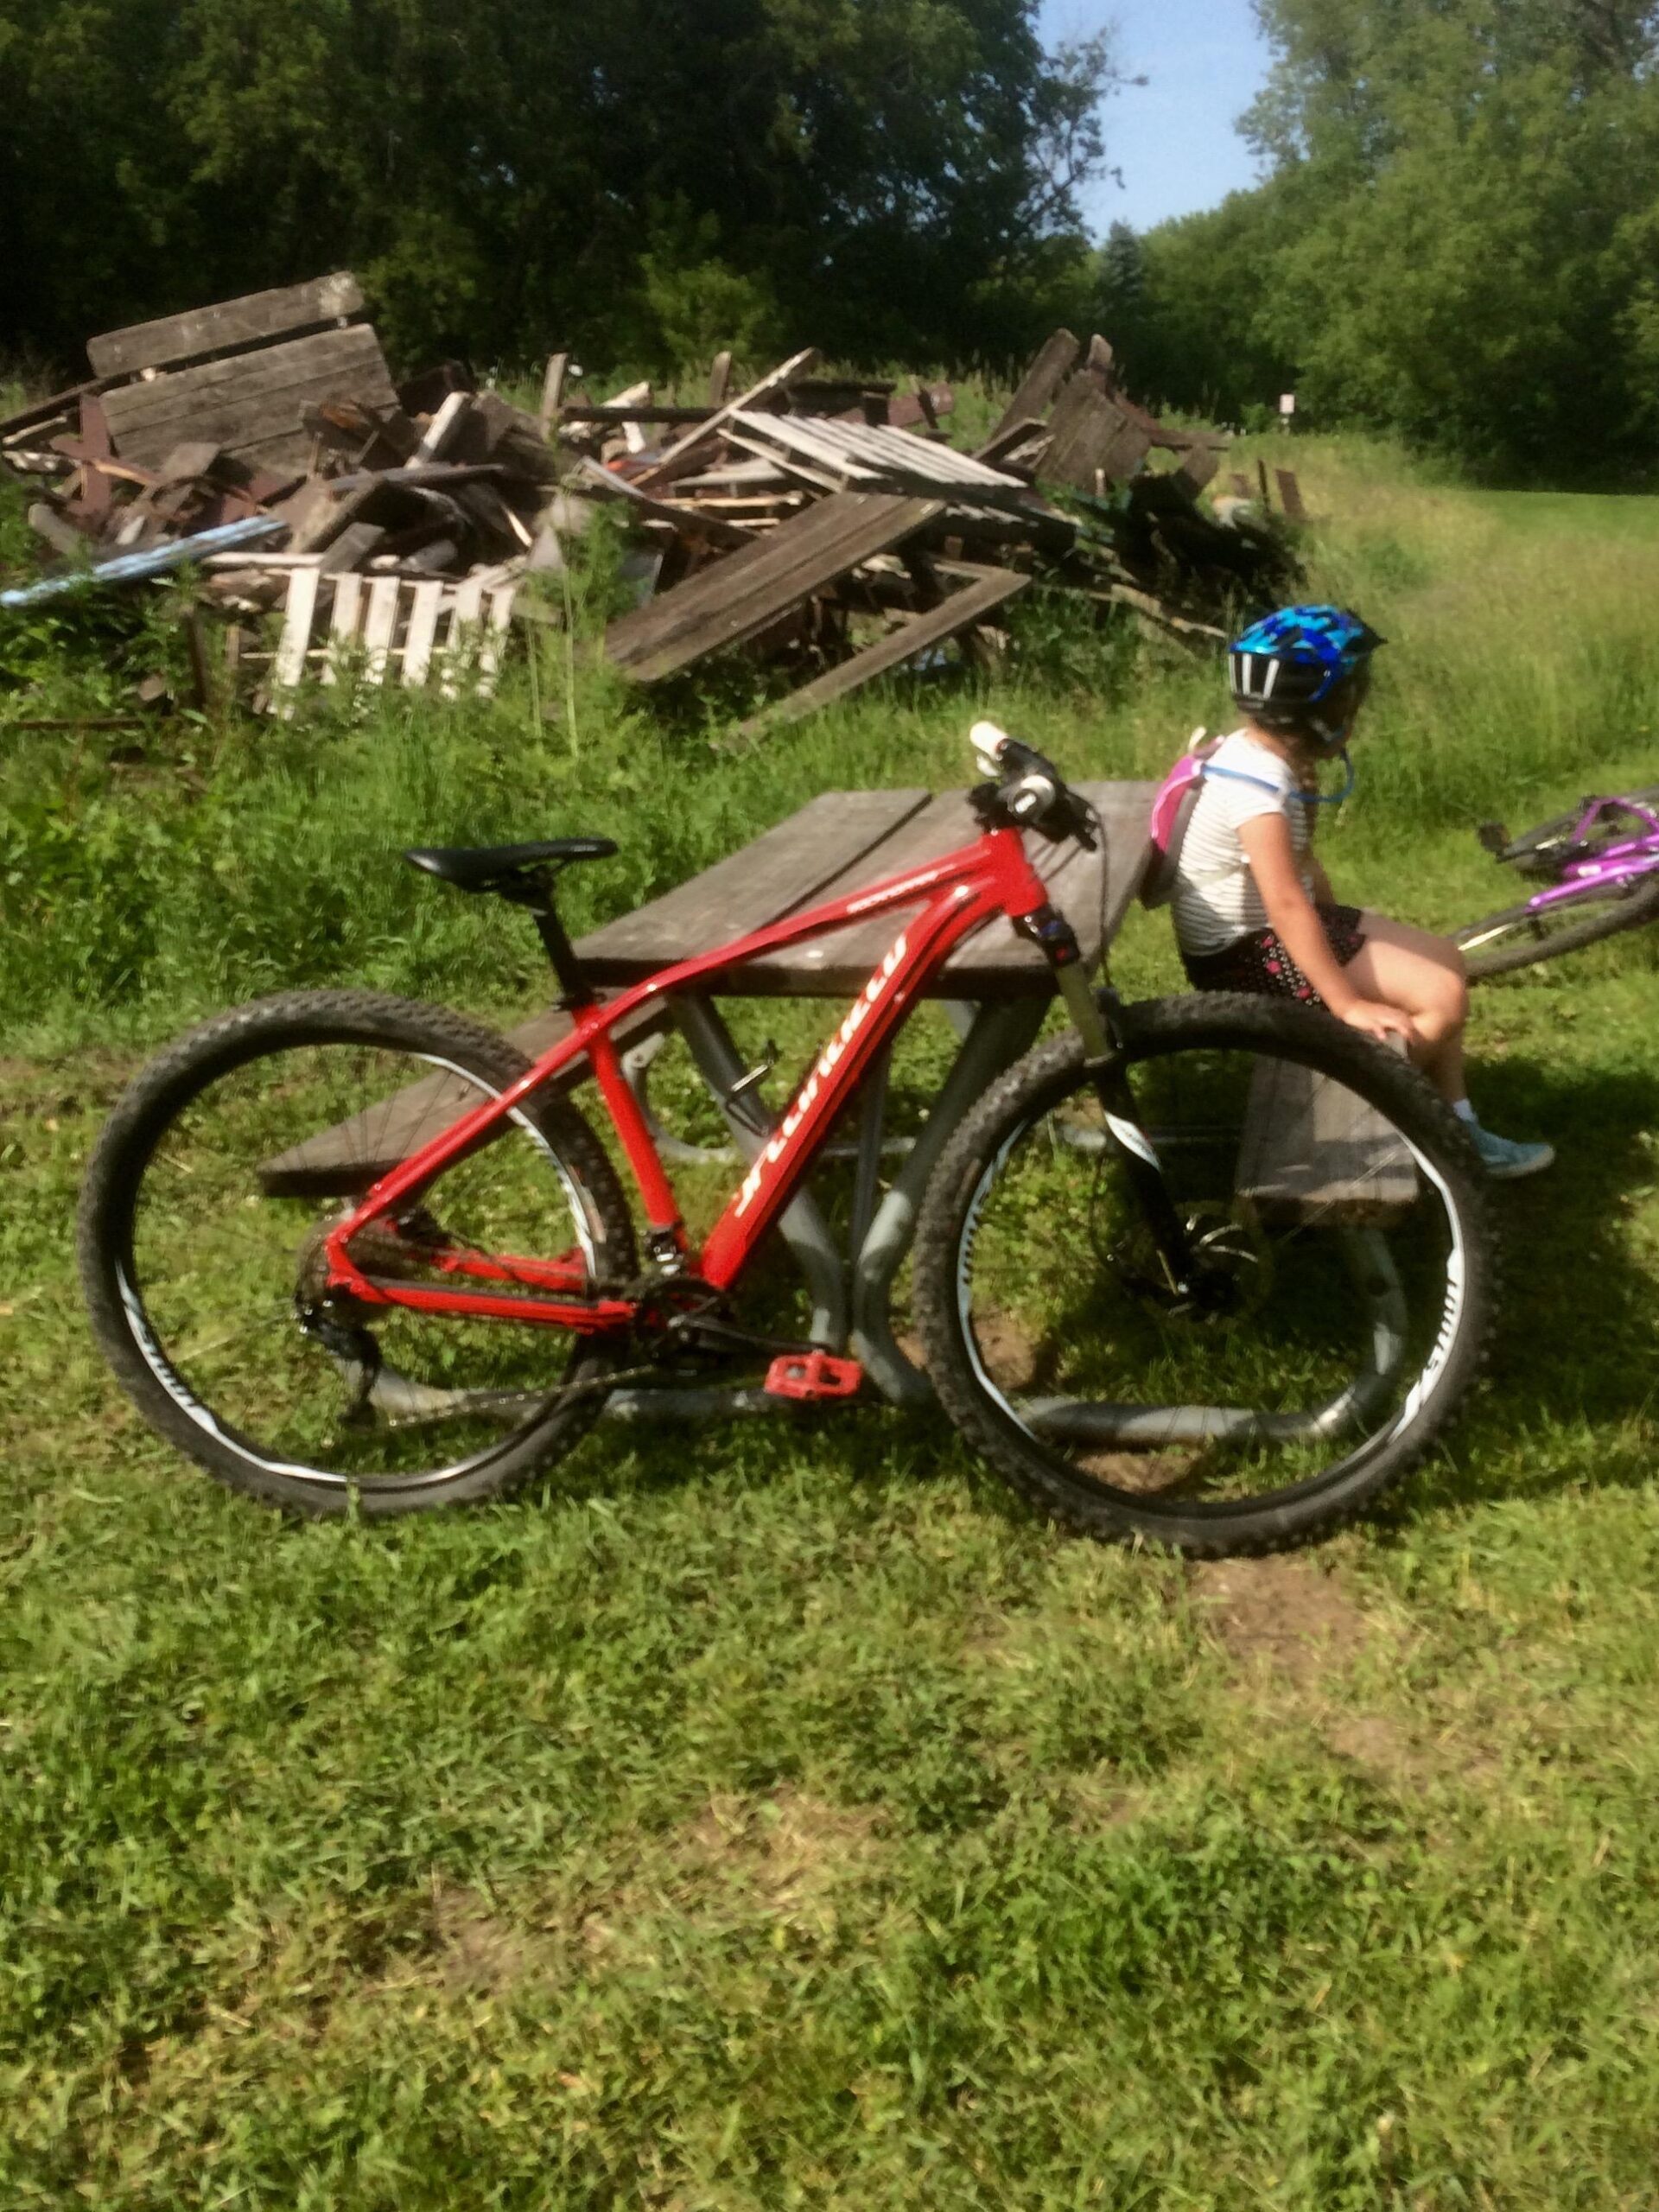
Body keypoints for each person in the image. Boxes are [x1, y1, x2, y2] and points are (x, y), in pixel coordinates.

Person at [1172, 603, 1554, 1179]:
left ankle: (1458, 1125)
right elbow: (1284, 900)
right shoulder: (1260, 783)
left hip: (1267, 935)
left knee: (1445, 961)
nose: (1357, 708)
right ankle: (1363, 1113)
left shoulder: (1265, 756)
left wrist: (1343, 924)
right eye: (1350, 696)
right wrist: (1346, 1002)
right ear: (1319, 709)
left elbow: (1301, 870)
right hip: (1246, 957)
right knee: (1442, 998)